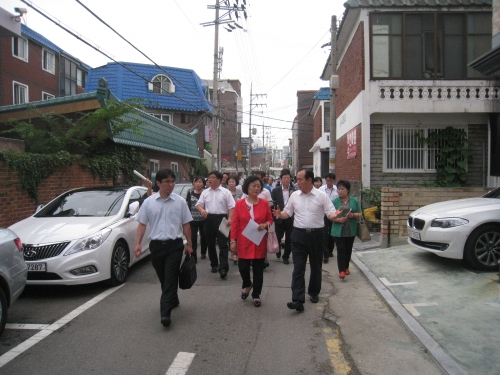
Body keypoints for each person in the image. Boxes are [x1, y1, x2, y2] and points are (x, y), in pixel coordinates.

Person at [273, 169, 342, 312]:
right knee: (298, 268)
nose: (296, 182)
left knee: (316, 266)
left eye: (299, 179)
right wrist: (281, 214)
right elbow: (288, 212)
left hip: (317, 235)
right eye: (296, 179)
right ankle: (297, 299)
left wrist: (335, 216)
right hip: (298, 235)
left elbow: (330, 212)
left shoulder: (321, 196)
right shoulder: (295, 196)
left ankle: (314, 292)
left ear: (309, 180)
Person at [134, 169, 193, 327]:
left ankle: (165, 313)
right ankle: (172, 298)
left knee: (170, 276)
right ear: (158, 183)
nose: (170, 184)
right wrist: (138, 243)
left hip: (174, 245)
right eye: (166, 181)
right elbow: (142, 224)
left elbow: (186, 224)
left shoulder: (180, 202)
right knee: (163, 277)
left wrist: (190, 245)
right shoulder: (149, 202)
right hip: (157, 246)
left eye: (172, 181)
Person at [230, 175, 273, 307]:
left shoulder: (264, 203)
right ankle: (247, 284)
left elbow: (270, 220)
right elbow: (235, 223)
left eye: (258, 186)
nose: (256, 188)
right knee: (243, 267)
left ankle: (256, 294)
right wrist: (233, 240)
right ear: (246, 188)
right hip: (244, 241)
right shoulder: (239, 203)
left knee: (258, 269)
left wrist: (265, 225)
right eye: (253, 186)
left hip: (259, 240)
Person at [196, 170, 235, 279]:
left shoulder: (225, 192)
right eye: (209, 177)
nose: (210, 179)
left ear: (219, 180)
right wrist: (202, 210)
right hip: (209, 219)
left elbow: (231, 207)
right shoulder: (205, 192)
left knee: (223, 244)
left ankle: (223, 268)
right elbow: (198, 204)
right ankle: (214, 264)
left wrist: (230, 218)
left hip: (222, 218)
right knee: (210, 243)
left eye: (213, 177)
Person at [331, 180, 362, 279]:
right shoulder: (334, 201)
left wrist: (352, 215)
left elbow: (360, 213)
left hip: (350, 228)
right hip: (338, 229)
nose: (340, 191)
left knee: (348, 249)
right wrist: (339, 219)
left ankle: (346, 267)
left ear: (347, 190)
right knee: (341, 249)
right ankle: (341, 270)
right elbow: (330, 215)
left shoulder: (354, 201)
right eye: (339, 189)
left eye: (342, 189)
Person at [271, 168, 296, 264]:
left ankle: (286, 256)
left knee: (289, 237)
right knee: (278, 236)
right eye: (284, 178)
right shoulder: (276, 190)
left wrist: (293, 195)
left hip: (290, 217)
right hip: (279, 217)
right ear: (281, 179)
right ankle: (278, 250)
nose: (286, 180)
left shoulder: (294, 191)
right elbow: (272, 203)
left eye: (288, 178)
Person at [186, 177, 207, 262]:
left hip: (203, 219)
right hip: (193, 219)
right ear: (193, 183)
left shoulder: (205, 193)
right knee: (193, 237)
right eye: (196, 182)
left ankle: (203, 252)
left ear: (203, 184)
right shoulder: (190, 193)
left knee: (204, 236)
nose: (198, 184)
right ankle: (193, 255)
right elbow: (187, 205)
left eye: (200, 182)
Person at [319, 173, 339, 263]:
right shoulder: (321, 189)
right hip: (323, 214)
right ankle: (325, 254)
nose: (329, 182)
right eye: (327, 180)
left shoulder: (337, 190)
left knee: (332, 234)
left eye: (331, 180)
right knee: (324, 234)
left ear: (334, 181)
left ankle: (330, 250)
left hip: (333, 214)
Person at [227, 174, 243, 264]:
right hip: (227, 217)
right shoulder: (225, 192)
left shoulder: (240, 193)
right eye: (230, 182)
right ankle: (231, 252)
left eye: (233, 182)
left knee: (236, 235)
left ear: (236, 183)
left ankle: (236, 253)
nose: (231, 183)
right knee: (228, 236)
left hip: (238, 217)